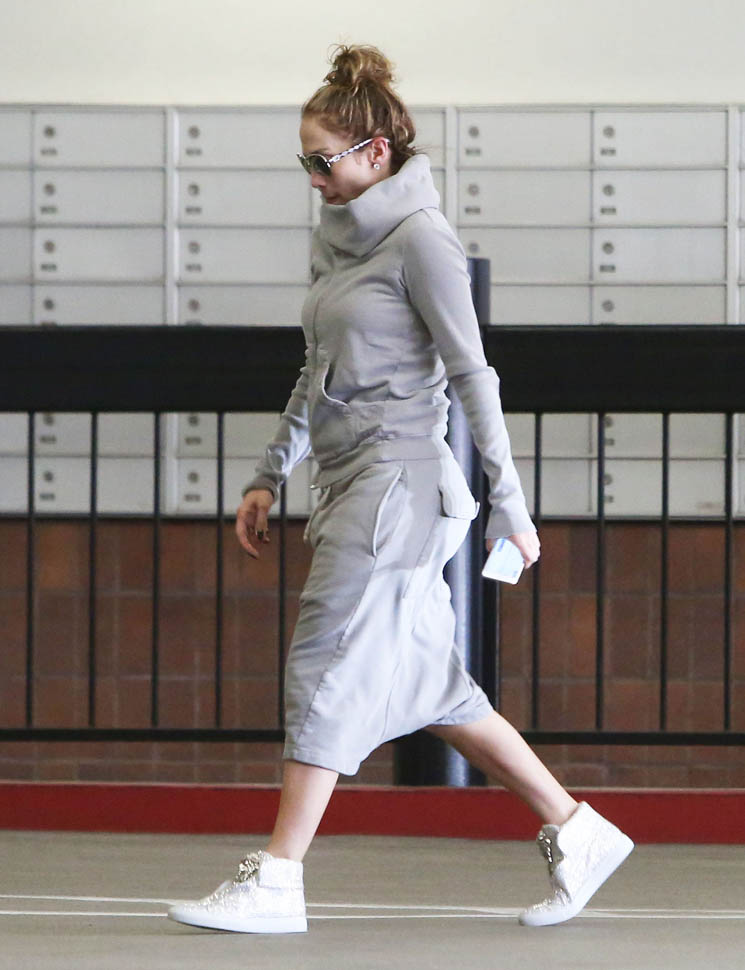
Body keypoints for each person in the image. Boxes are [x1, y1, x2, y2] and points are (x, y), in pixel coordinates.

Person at [168, 42, 633, 935]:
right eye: (304, 162)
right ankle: (577, 831)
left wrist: (510, 502)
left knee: (324, 664)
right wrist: (270, 470)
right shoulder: (336, 238)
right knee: (435, 689)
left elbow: (473, 376)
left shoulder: (422, 239)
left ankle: (277, 876)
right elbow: (314, 370)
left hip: (399, 487)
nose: (313, 179)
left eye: (323, 161)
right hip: (349, 483)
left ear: (375, 152)